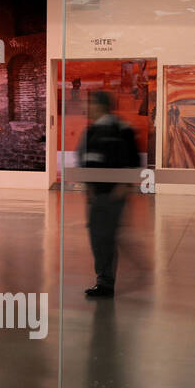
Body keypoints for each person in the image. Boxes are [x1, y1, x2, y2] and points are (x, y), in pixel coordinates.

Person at [77, 91, 140, 298]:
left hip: (112, 195)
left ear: (101, 106)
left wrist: (123, 184)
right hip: (97, 195)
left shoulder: (120, 129)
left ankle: (105, 282)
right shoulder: (91, 131)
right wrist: (89, 186)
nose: (88, 108)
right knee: (98, 236)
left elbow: (132, 159)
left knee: (106, 237)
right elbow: (85, 159)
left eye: (91, 104)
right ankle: (103, 279)